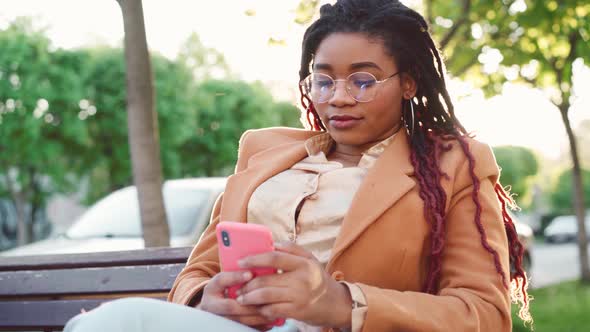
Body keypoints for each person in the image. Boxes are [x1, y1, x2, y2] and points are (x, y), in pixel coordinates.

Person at [64, 0, 531, 331]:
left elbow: (484, 316)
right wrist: (207, 298)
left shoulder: (453, 166)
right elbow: (197, 272)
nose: (339, 97)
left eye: (364, 80)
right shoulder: (263, 156)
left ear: (408, 83)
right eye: (323, 80)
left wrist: (342, 304)